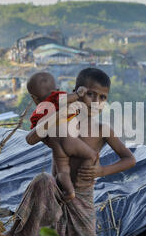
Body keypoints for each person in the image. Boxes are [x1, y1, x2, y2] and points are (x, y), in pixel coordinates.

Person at [8, 68, 136, 236]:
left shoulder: (102, 130)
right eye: (91, 94)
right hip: (57, 192)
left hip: (83, 198)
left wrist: (102, 171)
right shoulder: (61, 123)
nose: (96, 101)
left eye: (103, 97)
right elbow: (31, 138)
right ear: (78, 92)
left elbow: (129, 159)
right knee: (43, 181)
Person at [26, 72, 98, 201]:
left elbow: (33, 136)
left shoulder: (38, 113)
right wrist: (77, 94)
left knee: (62, 172)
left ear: (34, 98)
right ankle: (85, 181)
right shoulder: (59, 98)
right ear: (57, 90)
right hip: (69, 140)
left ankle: (68, 192)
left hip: (56, 145)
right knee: (92, 155)